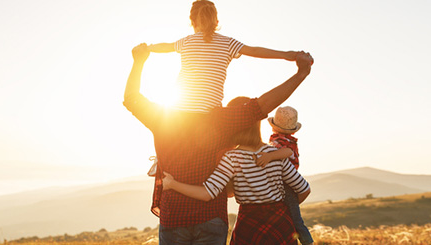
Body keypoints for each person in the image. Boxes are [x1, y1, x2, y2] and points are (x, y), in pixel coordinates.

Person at [124, 43, 313, 244]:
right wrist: (301, 73)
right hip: (216, 217)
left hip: (175, 216)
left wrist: (139, 62)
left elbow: (131, 98)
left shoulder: (163, 117)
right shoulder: (225, 121)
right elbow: (264, 104)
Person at [161, 96, 311, 244]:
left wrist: (172, 184)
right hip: (281, 227)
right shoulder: (275, 153)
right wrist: (281, 209)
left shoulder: (232, 158)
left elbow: (207, 193)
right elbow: (304, 189)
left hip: (249, 227)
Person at [148, 0, 300, 112]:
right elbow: (254, 51)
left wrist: (147, 48)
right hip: (210, 112)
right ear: (216, 21)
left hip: (179, 110)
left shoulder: (186, 41)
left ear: (192, 21)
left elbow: (165, 46)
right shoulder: (228, 43)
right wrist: (286, 55)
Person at [254, 105, 314, 244]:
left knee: (295, 218)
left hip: (285, 182)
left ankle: (307, 241)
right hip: (287, 181)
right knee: (291, 215)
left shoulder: (280, 141)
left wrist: (269, 157)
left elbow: (287, 152)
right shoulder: (286, 139)